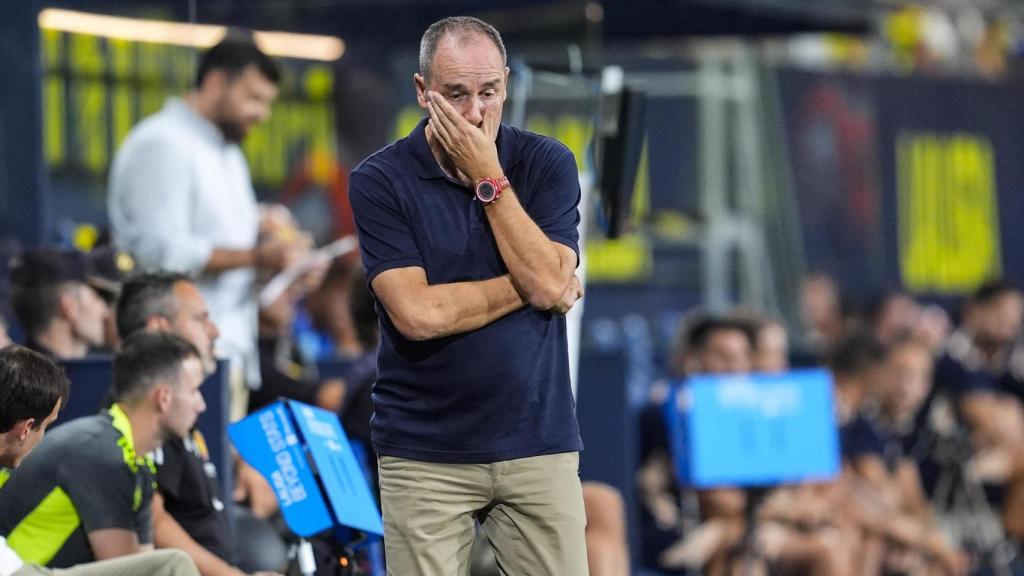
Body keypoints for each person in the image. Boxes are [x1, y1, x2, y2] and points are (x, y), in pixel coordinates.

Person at [349, 15, 586, 575]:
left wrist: (490, 179)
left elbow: (551, 284)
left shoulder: (547, 163)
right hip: (424, 452)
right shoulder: (379, 181)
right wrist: (532, 284)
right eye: (456, 95)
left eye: (489, 92)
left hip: (537, 442)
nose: (476, 113)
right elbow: (418, 315)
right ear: (421, 92)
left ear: (506, 82)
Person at [108, 34, 306, 419]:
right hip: (174, 367)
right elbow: (160, 254)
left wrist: (277, 251)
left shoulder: (227, 152)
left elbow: (225, 237)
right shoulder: (163, 143)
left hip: (224, 353)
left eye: (267, 102)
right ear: (215, 83)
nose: (262, 113)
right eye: (253, 98)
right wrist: (258, 255)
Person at [115, 272, 284, 576]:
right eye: (200, 319)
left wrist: (240, 464)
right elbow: (153, 522)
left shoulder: (180, 407)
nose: (215, 331)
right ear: (159, 328)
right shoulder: (143, 409)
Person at [0, 333, 205, 567]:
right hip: (21, 571)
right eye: (194, 390)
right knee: (174, 564)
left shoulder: (140, 464)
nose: (202, 404)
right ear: (164, 397)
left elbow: (143, 561)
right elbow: (131, 567)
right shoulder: (99, 454)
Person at [7, 248, 128, 359]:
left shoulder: (17, 375)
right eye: (96, 297)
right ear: (69, 306)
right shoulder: (87, 378)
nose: (105, 311)